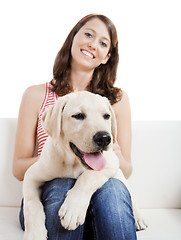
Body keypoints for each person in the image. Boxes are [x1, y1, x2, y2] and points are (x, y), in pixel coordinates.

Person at [13, 14, 137, 240]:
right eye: (88, 34)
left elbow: (124, 169)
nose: (93, 44)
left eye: (103, 43)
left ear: (106, 57)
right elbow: (19, 169)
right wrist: (61, 157)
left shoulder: (115, 101)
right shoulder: (36, 95)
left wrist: (105, 157)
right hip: (51, 193)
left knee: (114, 192)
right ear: (73, 39)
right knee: (61, 185)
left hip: (99, 194)